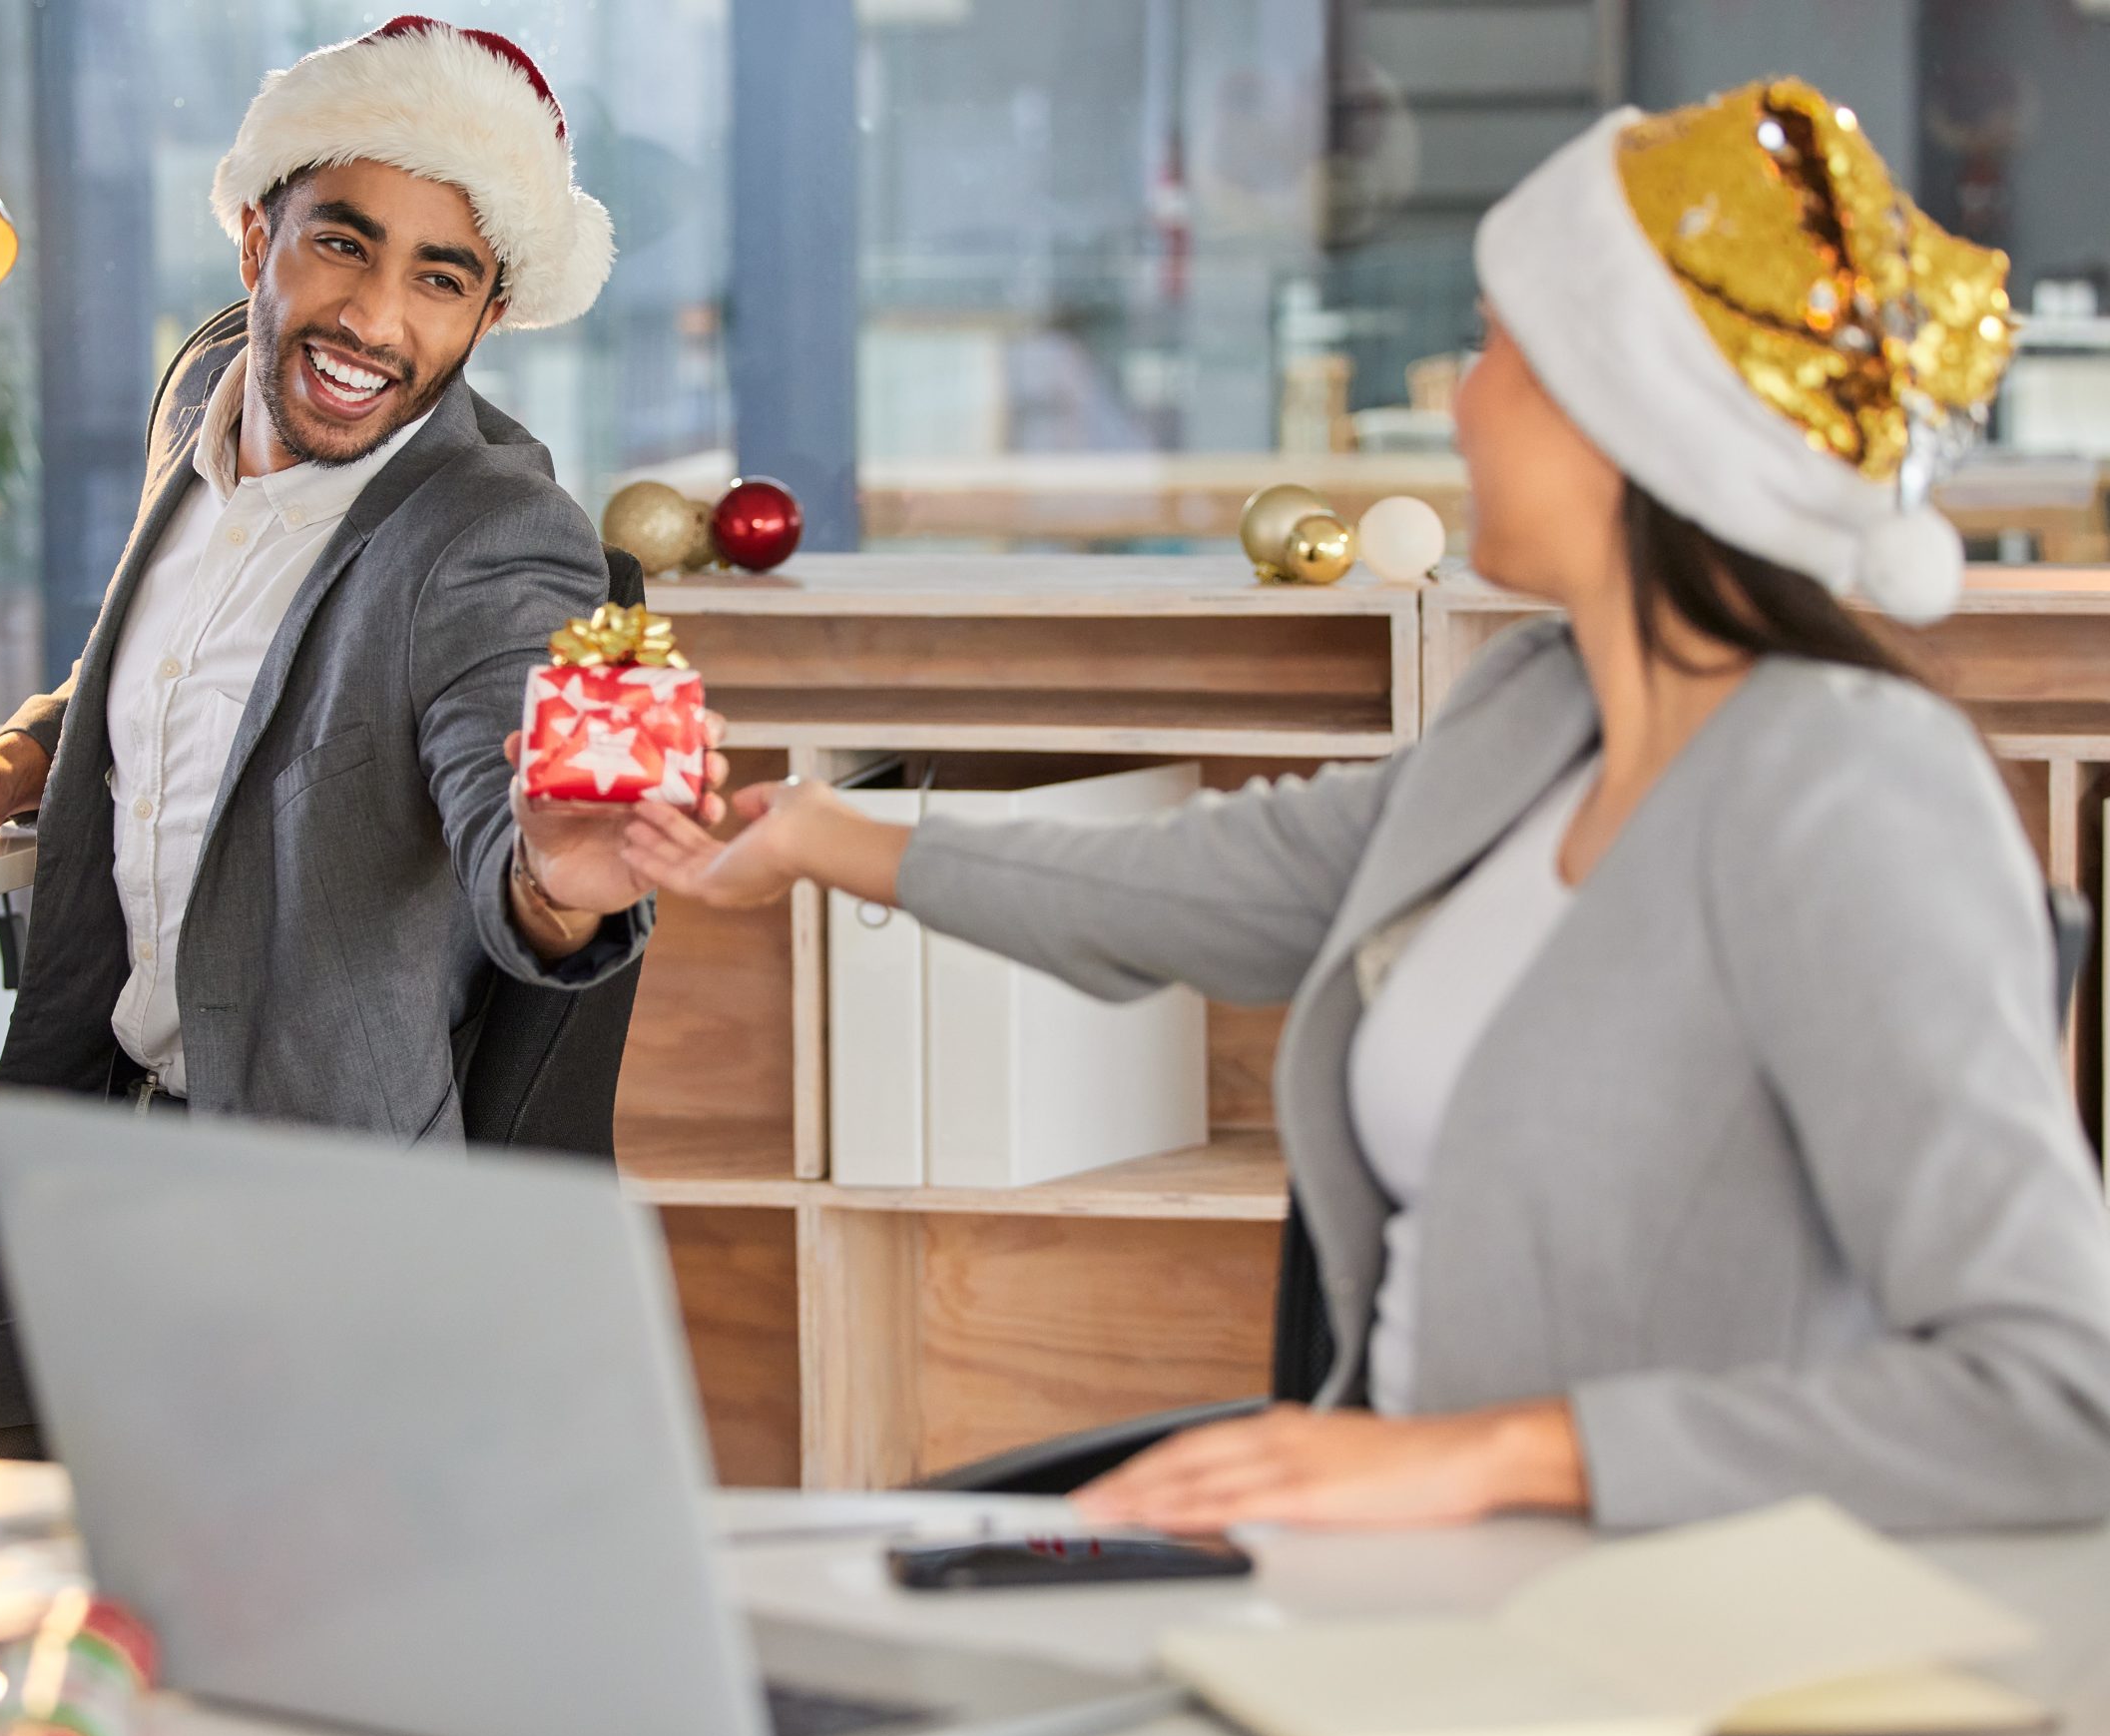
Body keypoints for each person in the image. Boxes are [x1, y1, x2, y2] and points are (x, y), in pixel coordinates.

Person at [622, 80, 2110, 1533]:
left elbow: (2059, 1395)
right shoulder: (1544, 710)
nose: (1460, 403)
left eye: (1499, 352)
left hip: (1650, 1641)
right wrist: (820, 841)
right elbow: (1223, 882)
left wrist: (1493, 1460)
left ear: (1629, 419)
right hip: (1405, 1594)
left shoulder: (1849, 796)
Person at [0, 16, 725, 1454]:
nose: (375, 319)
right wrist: (27, 753)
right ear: (258, 234)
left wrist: (554, 880)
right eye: (342, 245)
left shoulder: (494, 543)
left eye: (441, 278)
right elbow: (187, 665)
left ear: (489, 314)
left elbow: (513, 829)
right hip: (111, 1121)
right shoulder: (207, 390)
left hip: (304, 1195)